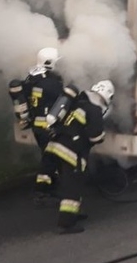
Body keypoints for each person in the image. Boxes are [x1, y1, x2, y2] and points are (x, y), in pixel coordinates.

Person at [44, 80, 114, 234]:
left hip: (54, 147)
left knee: (67, 183)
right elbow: (95, 137)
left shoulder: (77, 102)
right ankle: (66, 224)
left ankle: (74, 213)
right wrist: (102, 134)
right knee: (72, 187)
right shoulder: (95, 110)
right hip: (71, 152)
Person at [8, 48, 67, 203]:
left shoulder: (31, 79)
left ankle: (49, 187)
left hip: (37, 126)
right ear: (50, 62)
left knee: (48, 157)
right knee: (53, 158)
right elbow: (63, 102)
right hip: (48, 127)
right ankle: (44, 190)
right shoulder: (52, 83)